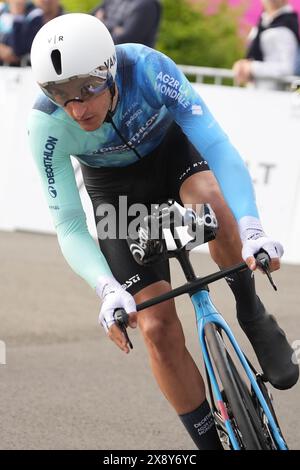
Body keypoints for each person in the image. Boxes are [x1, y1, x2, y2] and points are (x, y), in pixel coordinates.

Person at [29, 13, 299, 450]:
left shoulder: (147, 67)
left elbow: (216, 144)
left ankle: (251, 311)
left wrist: (252, 229)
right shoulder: (47, 125)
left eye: (86, 90)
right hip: (116, 192)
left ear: (109, 71)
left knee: (211, 198)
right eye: (60, 95)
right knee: (155, 326)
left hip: (172, 156)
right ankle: (209, 444)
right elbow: (69, 221)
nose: (77, 109)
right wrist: (105, 289)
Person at [233, 0, 300, 90]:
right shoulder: (265, 22)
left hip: (273, 93)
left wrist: (252, 67)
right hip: (259, 89)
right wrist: (244, 66)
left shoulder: (284, 27)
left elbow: (287, 69)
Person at [91, 0, 161, 47]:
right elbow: (88, 20)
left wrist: (100, 22)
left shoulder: (147, 4)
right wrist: (114, 28)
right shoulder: (111, 1)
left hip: (130, 64)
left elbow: (125, 40)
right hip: (104, 55)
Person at [0, 0, 34, 65]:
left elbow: (18, 50)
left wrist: (17, 16)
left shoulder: (33, 14)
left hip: (22, 68)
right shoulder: (1, 10)